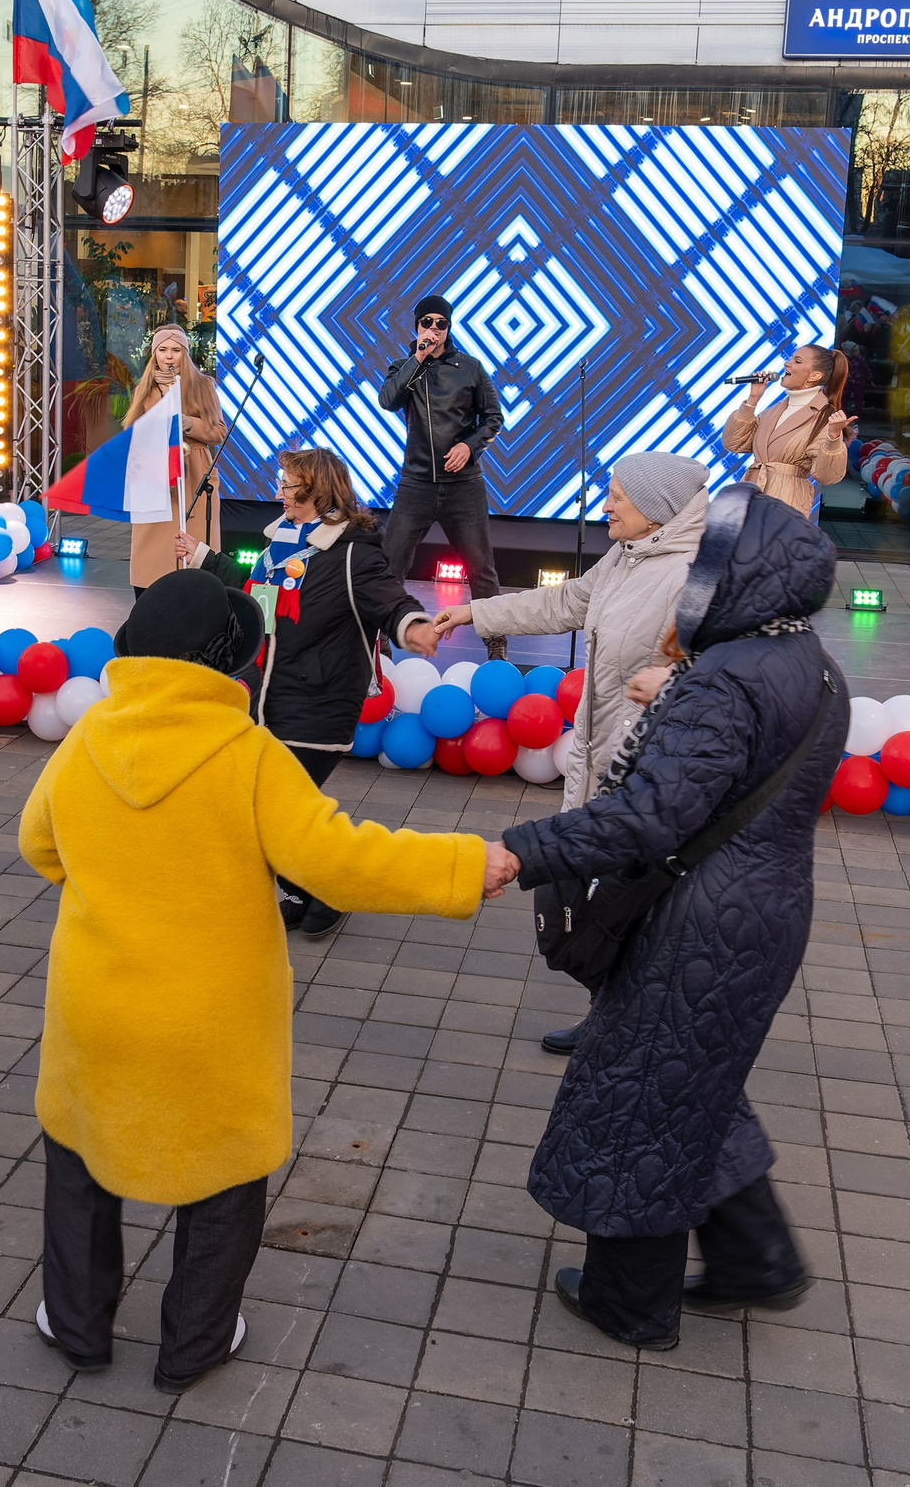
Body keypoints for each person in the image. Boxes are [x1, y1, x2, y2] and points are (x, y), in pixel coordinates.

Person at [19, 569, 516, 1391]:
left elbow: (40, 846)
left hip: (96, 1003)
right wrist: (463, 862)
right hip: (213, 1018)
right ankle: (195, 1342)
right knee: (224, 1176)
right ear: (234, 663)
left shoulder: (87, 737)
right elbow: (340, 861)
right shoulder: (247, 754)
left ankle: (77, 1327)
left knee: (78, 1158)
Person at [495, 483, 847, 1351]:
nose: (697, 576)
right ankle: (756, 1259)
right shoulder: (810, 661)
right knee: (695, 1081)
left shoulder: (726, 680)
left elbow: (650, 815)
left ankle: (630, 1300)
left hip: (702, 915)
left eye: (711, 561)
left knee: (644, 1094)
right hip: (765, 906)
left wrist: (526, 848)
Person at [422, 451, 710, 1055]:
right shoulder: (630, 556)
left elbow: (722, 676)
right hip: (600, 759)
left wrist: (665, 692)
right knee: (608, 904)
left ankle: (641, 1030)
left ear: (656, 509)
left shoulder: (691, 577)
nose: (604, 506)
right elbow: (567, 602)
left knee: (634, 907)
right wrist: (476, 612)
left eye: (617, 497)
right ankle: (619, 1021)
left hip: (649, 773)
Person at [248, 447, 437, 940]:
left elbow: (388, 597)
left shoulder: (353, 551)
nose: (280, 493)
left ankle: (328, 888)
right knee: (278, 810)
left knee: (273, 809)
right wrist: (203, 558)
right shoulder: (280, 547)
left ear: (316, 492)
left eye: (289, 486)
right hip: (272, 699)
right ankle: (307, 891)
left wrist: (412, 625)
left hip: (319, 704)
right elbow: (260, 604)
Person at [377, 295, 506, 659]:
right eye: (427, 322)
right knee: (392, 563)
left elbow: (493, 418)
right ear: (417, 327)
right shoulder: (404, 367)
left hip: (463, 486)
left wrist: (470, 446)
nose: (434, 329)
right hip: (416, 483)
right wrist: (417, 359)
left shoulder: (470, 367)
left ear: (449, 328)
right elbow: (387, 400)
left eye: (441, 324)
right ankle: (381, 637)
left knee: (481, 567)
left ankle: (495, 643)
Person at [122, 325, 228, 593]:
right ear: (154, 354)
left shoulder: (204, 385)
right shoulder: (144, 390)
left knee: (194, 547)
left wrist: (190, 424)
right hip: (156, 476)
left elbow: (219, 432)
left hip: (195, 475)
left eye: (176, 350)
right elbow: (131, 434)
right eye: (163, 350)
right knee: (152, 554)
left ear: (186, 353)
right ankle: (150, 602)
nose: (169, 356)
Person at [722, 346, 850, 520]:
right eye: (790, 358)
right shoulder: (776, 409)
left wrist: (833, 438)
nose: (787, 363)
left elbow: (827, 476)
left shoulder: (824, 417)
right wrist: (752, 400)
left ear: (814, 376)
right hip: (749, 499)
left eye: (797, 361)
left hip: (785, 506)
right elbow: (734, 443)